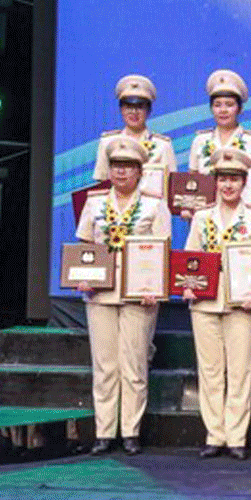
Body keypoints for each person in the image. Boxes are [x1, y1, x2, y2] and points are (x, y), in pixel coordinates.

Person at [75, 136, 172, 454]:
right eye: (116, 166)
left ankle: (130, 431)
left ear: (140, 171)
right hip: (101, 293)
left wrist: (154, 289)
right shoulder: (95, 202)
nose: (121, 173)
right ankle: (104, 430)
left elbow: (162, 252)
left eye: (128, 167)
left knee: (134, 365)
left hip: (138, 295)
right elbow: (85, 247)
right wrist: (82, 277)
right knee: (104, 365)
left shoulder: (153, 205)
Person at [183, 148, 251, 460]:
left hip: (242, 303)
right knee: (210, 370)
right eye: (222, 178)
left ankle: (236, 437)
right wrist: (187, 286)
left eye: (234, 179)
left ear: (244, 182)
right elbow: (191, 260)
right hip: (206, 302)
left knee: (240, 370)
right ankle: (214, 434)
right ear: (215, 182)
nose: (227, 185)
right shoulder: (202, 218)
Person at [186, 69, 251, 212]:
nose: (223, 110)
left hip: (242, 217)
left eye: (229, 105)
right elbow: (192, 182)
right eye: (217, 105)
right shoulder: (200, 140)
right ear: (211, 109)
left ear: (239, 109)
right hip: (204, 216)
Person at [92, 75, 179, 184]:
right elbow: (101, 184)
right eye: (128, 106)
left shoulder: (162, 146)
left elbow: (171, 186)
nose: (134, 112)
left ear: (149, 110)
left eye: (139, 107)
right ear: (121, 109)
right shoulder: (108, 143)